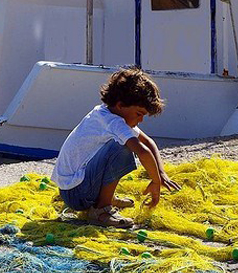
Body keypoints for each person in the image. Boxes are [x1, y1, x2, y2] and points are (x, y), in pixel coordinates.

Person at [51, 67, 181, 228]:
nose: (140, 120)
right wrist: (155, 182)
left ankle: (103, 198)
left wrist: (161, 173)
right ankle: (100, 210)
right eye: (139, 114)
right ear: (120, 105)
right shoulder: (114, 123)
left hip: (71, 189)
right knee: (123, 147)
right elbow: (142, 151)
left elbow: (149, 143)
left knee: (124, 143)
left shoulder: (106, 114)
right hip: (76, 194)